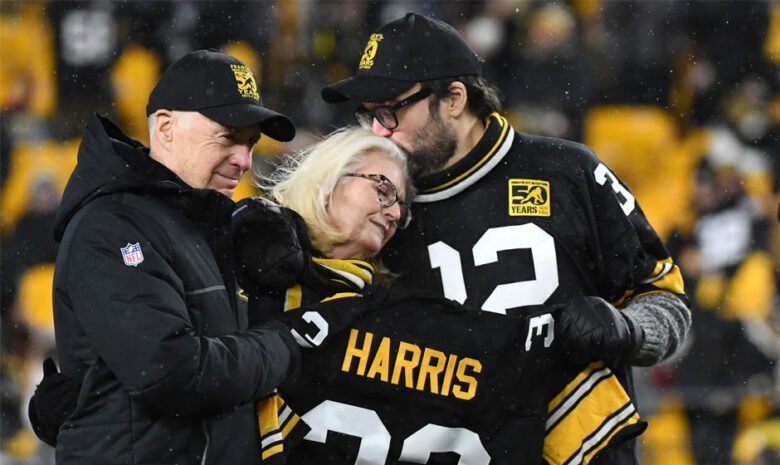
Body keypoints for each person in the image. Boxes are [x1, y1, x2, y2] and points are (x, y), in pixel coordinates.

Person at [320, 12, 692, 465]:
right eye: (367, 115)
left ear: (454, 98)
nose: (378, 130)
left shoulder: (569, 173)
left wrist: (626, 330)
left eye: (391, 110)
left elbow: (669, 306)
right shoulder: (382, 205)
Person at [32, 49, 377, 464]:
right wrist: (283, 346)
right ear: (165, 126)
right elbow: (173, 372)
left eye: (251, 143)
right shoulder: (112, 227)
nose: (244, 161)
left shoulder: (204, 227)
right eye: (228, 136)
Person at [233, 127, 645, 465]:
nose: (394, 212)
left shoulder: (411, 320)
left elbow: (548, 376)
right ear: (330, 175)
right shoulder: (236, 259)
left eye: (401, 205)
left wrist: (576, 337)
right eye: (382, 188)